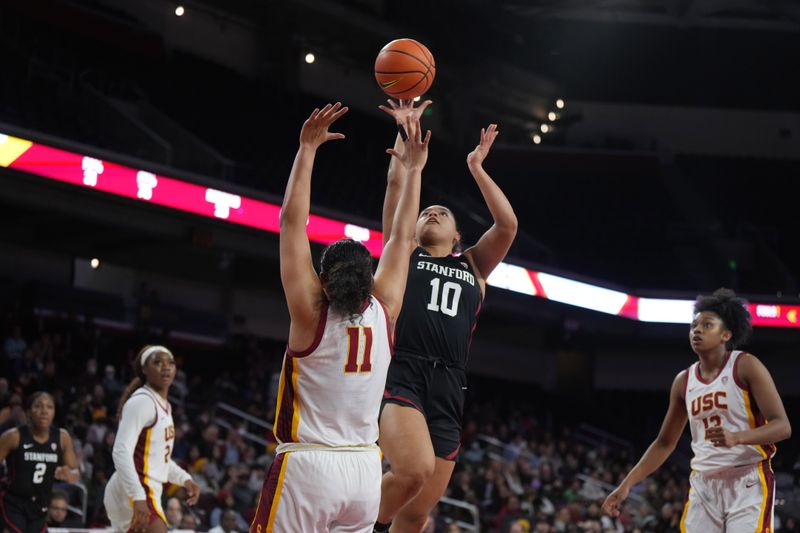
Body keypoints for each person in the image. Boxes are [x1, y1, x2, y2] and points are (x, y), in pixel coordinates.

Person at [249, 103, 428, 532]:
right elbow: (403, 236)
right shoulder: (384, 306)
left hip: (309, 467)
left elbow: (292, 222)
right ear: (370, 277)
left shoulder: (310, 310)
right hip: (365, 470)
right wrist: (415, 169)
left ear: (323, 279)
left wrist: (306, 149)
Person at [375, 99, 518, 532]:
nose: (431, 212)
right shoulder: (402, 252)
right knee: (413, 470)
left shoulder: (474, 265)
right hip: (403, 371)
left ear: (457, 235)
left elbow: (507, 225)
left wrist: (476, 165)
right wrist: (406, 132)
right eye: (425, 213)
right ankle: (360, 526)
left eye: (442, 213)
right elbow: (397, 188)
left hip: (450, 384)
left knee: (418, 510)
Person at [602, 288, 792, 532]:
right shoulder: (684, 381)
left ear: (726, 334)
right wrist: (626, 484)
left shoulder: (746, 366)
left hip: (747, 478)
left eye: (707, 325)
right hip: (704, 484)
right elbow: (664, 443)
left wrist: (738, 437)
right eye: (694, 326)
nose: (697, 331)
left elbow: (782, 426)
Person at [103, 345, 201, 533]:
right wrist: (138, 495)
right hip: (136, 486)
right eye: (157, 362)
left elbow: (158, 460)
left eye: (170, 363)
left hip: (145, 488)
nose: (166, 367)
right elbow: (120, 451)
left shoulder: (165, 406)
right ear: (144, 370)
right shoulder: (142, 402)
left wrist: (186, 480)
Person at [0, 392, 80, 533]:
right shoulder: (13, 436)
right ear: (28, 412)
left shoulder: (62, 437)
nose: (44, 411)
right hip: (13, 503)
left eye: (49, 407)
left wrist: (68, 474)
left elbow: (75, 473)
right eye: (38, 406)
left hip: (40, 507)